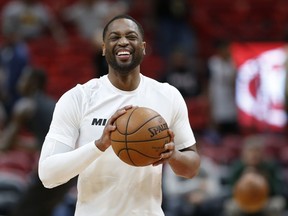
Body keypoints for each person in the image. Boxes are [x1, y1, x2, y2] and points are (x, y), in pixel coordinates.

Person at [38, 14, 201, 216]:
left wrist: (173, 155)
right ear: (104, 48)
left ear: (143, 46)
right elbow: (48, 175)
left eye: (131, 36)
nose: (123, 41)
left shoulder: (168, 95)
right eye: (114, 37)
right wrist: (99, 145)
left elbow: (191, 167)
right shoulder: (78, 98)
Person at [0, 67, 75, 216]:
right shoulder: (47, 103)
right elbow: (41, 143)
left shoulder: (25, 105)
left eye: (23, 79)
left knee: (23, 211)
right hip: (71, 169)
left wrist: (14, 126)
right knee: (42, 210)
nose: (19, 84)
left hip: (57, 167)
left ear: (33, 83)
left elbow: (4, 145)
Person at [223, 134, 286, 216]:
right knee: (230, 207)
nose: (254, 155)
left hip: (266, 200)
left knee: (277, 204)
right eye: (251, 151)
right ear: (244, 153)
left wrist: (264, 180)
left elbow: (278, 189)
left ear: (263, 153)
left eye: (257, 151)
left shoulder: (270, 166)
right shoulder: (238, 166)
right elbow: (231, 189)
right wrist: (243, 179)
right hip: (242, 201)